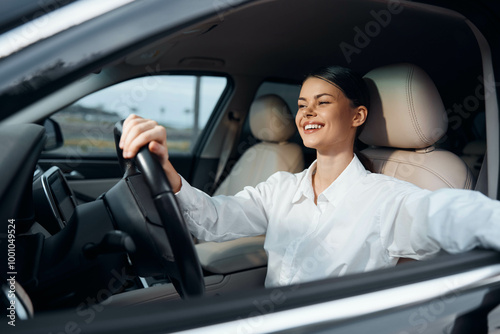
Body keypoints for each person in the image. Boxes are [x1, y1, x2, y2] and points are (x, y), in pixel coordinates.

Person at [119, 66, 500, 288]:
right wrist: (166, 171)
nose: (306, 113)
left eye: (323, 102)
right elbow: (215, 219)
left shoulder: (386, 198)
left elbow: (450, 214)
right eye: (302, 105)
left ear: (357, 116)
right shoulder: (282, 188)